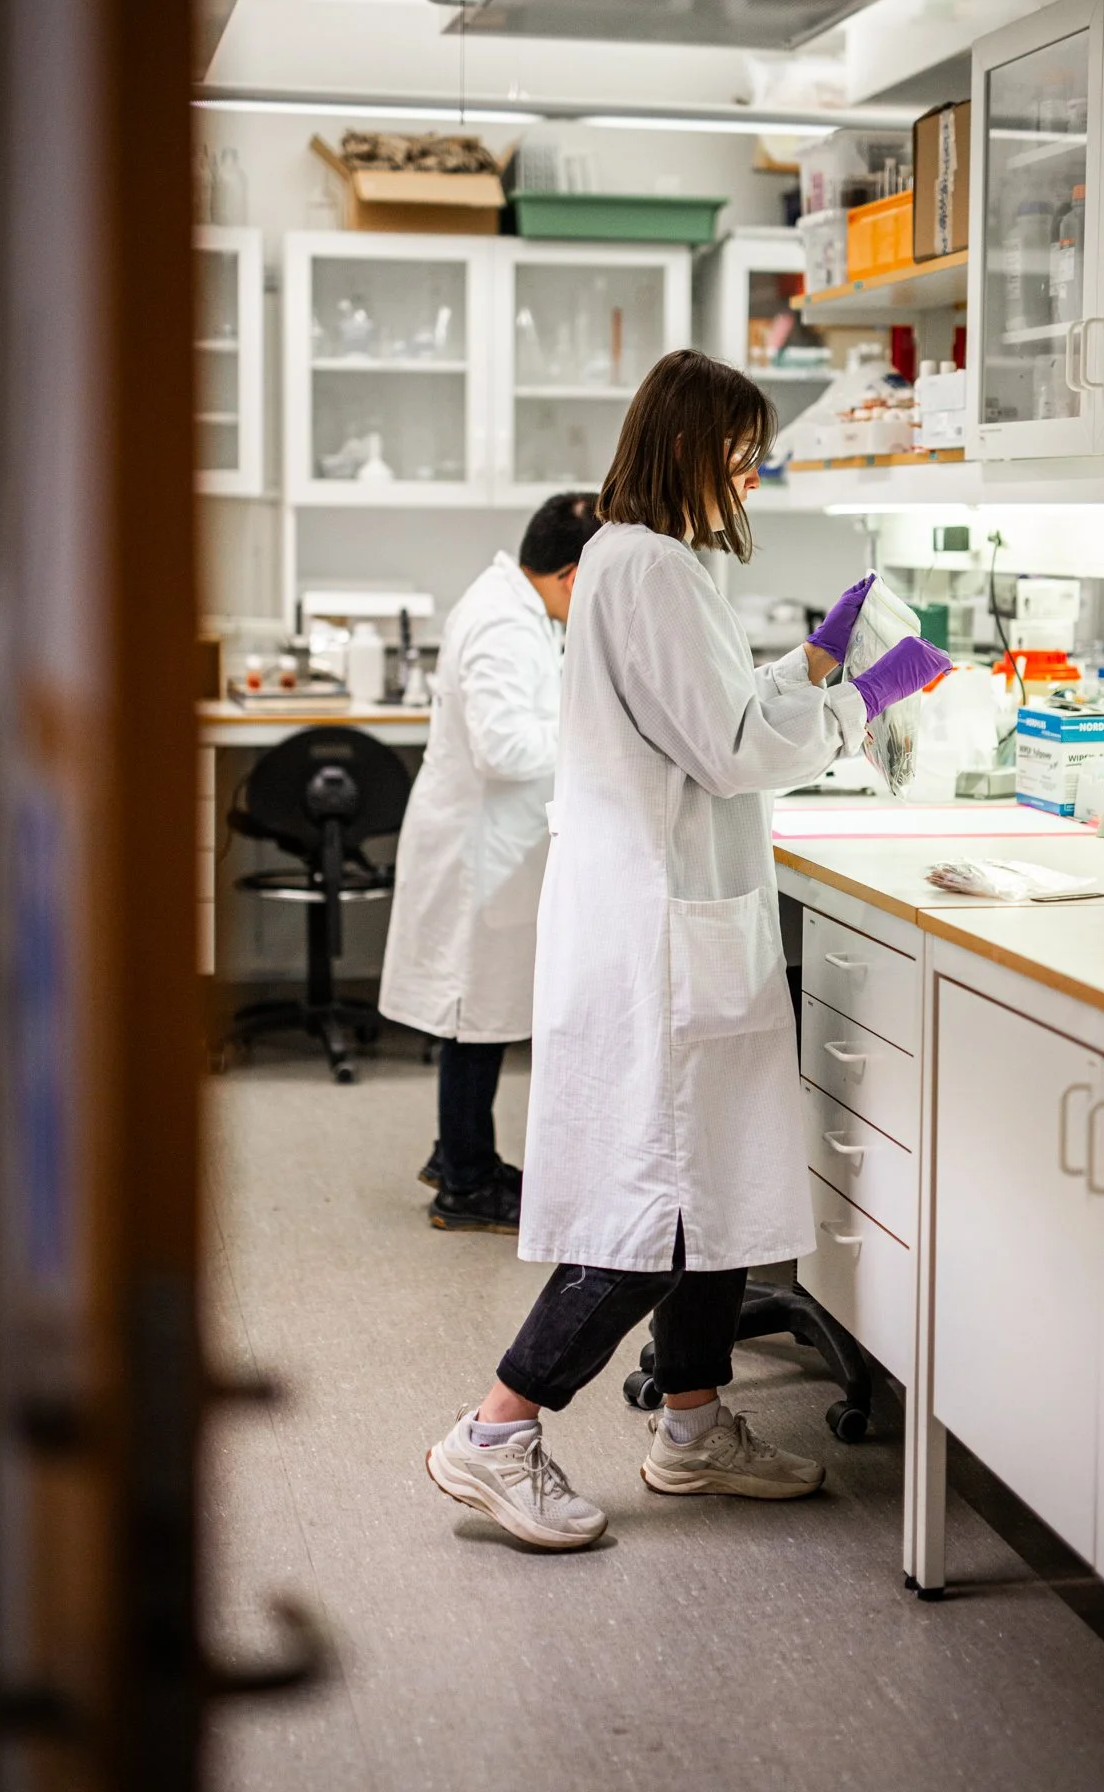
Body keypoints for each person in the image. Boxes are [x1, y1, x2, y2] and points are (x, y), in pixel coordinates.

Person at [426, 350, 949, 1547]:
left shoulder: (640, 559)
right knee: (653, 1207)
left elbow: (709, 708)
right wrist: (864, 698)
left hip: (665, 920)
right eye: (740, 453)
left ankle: (694, 1425)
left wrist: (812, 664)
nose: (752, 476)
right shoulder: (652, 564)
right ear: (687, 447)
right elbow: (729, 748)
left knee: (710, 1192)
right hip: (658, 934)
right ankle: (494, 1432)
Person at [379, 492, 602, 1234]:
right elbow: (503, 748)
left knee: (477, 1009)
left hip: (488, 841)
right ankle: (466, 1185)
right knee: (475, 1016)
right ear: (574, 575)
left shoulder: (515, 606)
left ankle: (455, 1154)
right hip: (479, 848)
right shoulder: (504, 622)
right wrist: (592, 730)